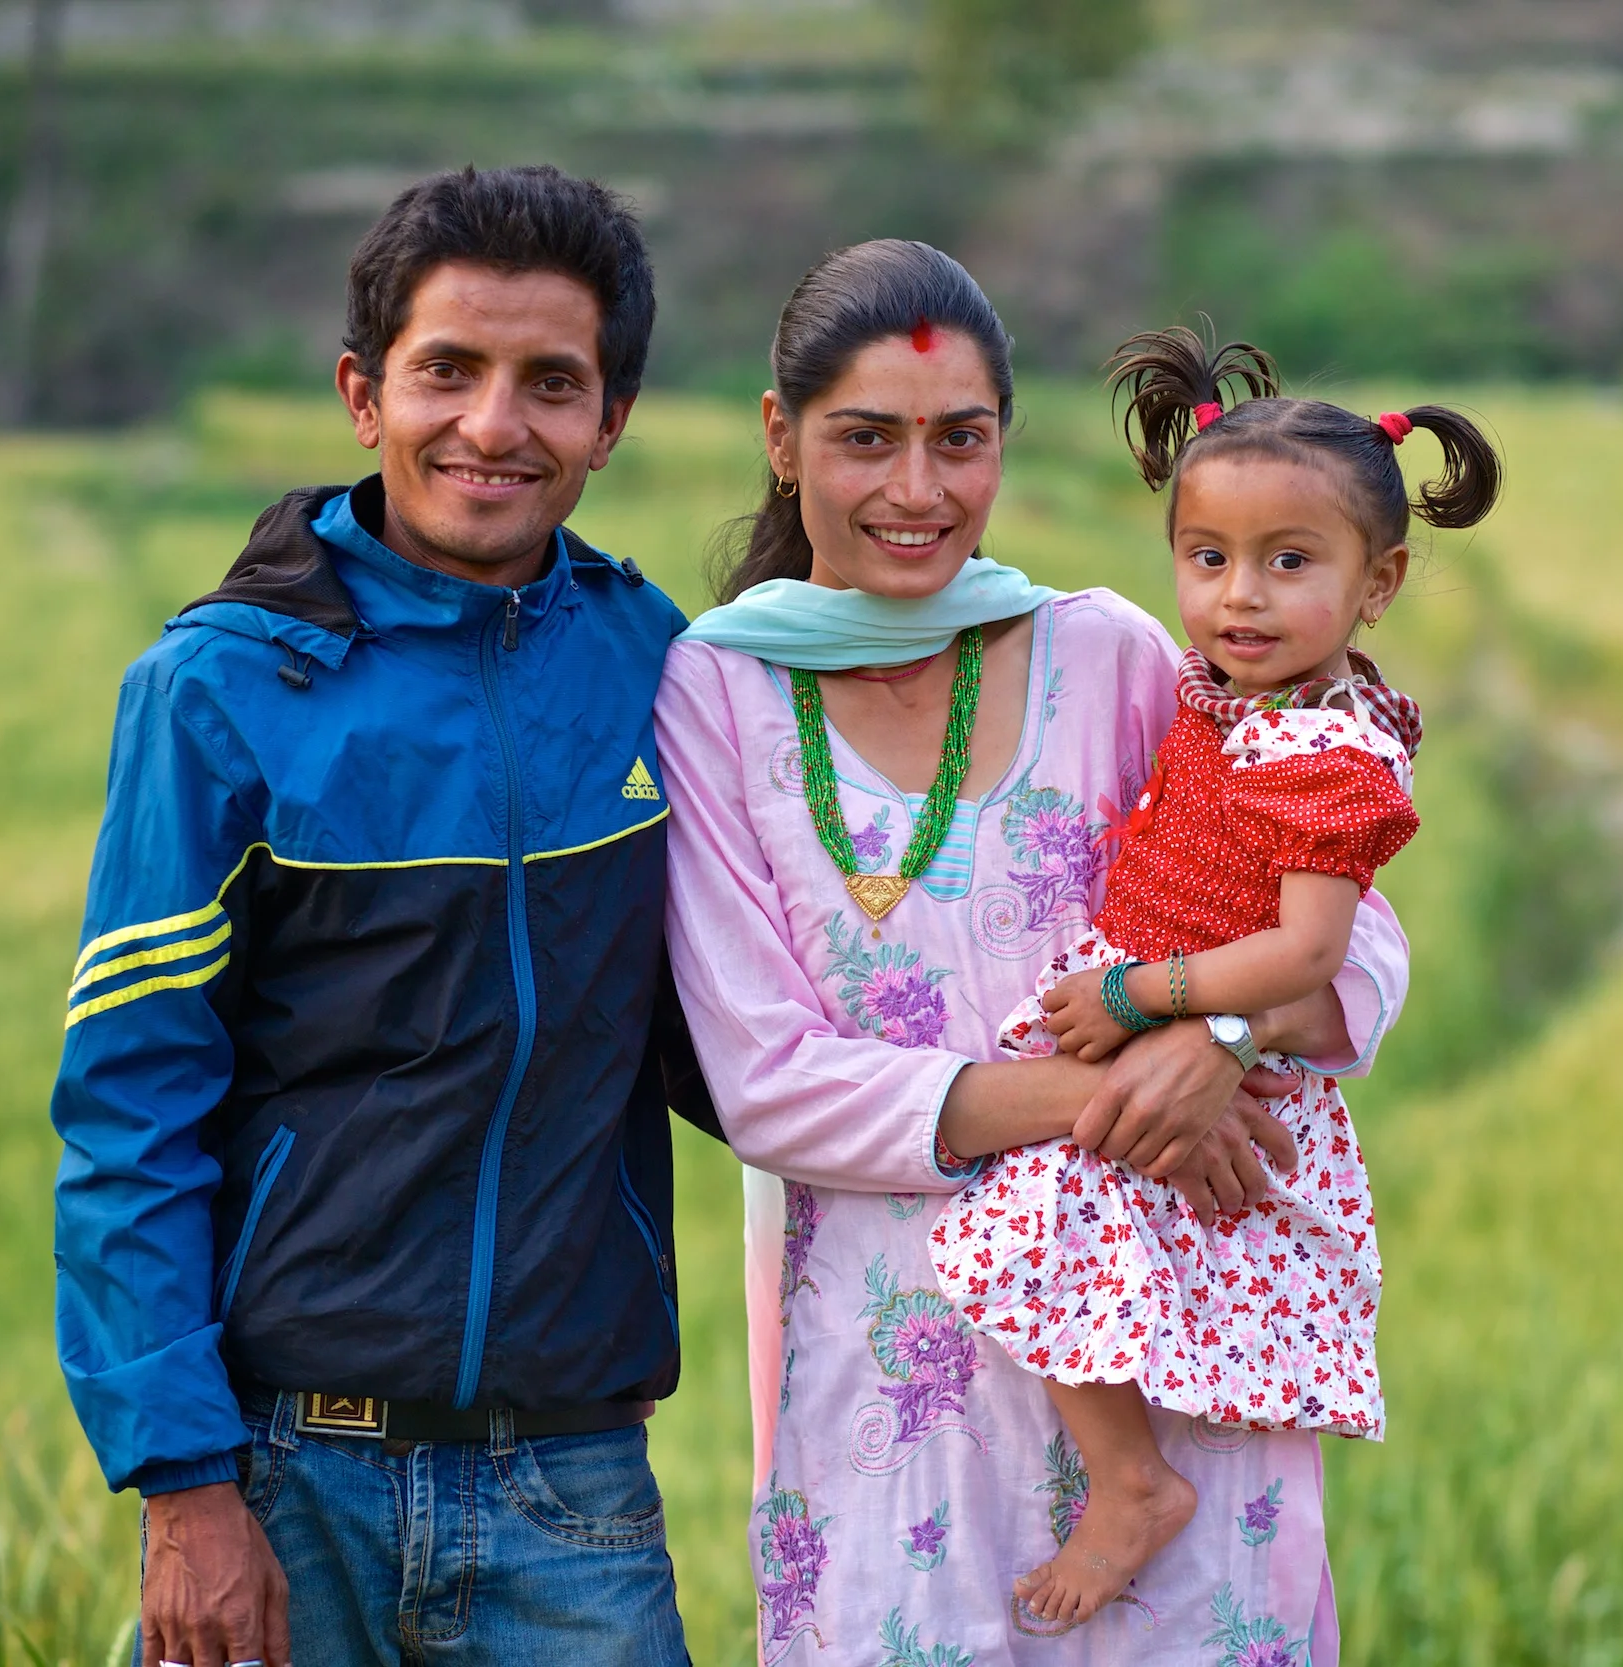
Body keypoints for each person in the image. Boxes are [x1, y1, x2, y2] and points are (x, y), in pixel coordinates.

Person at [656, 239, 1417, 1664]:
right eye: (865, 439)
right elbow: (764, 1084)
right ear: (780, 436)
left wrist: (1223, 1033)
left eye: (962, 439)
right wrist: (1117, 1095)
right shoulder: (716, 689)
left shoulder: (1112, 655)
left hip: (1173, 1355)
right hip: (904, 1392)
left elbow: (1355, 936)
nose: (917, 490)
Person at [50, 165, 714, 1667]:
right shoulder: (217, 692)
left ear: (611, 421)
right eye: (448, 372)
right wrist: (185, 1490)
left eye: (552, 383)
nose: (495, 426)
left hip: (575, 1482)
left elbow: (757, 1017)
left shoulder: (661, 663)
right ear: (365, 393)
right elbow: (128, 1107)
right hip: (283, 1478)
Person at [932, 326, 1504, 1625]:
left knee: (1033, 1223)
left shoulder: (1329, 746)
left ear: (1380, 581)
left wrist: (1147, 998)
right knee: (1069, 1241)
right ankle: (1131, 1477)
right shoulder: (1245, 689)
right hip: (1164, 1005)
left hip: (1195, 1025)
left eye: (1288, 563)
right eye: (1208, 559)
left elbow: (1311, 949)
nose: (1239, 596)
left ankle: (1135, 1485)